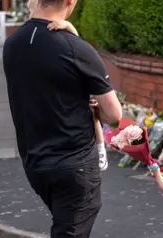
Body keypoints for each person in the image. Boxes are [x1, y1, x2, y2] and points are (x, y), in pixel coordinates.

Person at [2, 0, 122, 238]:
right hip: (74, 164)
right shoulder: (75, 48)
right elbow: (114, 113)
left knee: (74, 237)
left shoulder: (13, 45)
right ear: (70, 2)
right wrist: (75, 39)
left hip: (35, 163)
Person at [27, 0, 109, 171]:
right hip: (73, 153)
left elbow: (77, 51)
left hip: (42, 154)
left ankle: (101, 150)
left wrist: (69, 27)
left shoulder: (26, 38)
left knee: (91, 109)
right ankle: (100, 151)